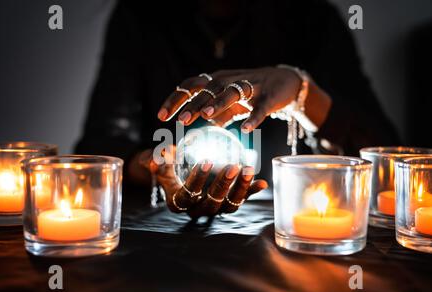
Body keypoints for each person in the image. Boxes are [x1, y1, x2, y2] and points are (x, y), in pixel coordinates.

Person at [75, 0, 400, 218]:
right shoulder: (139, 15)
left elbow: (386, 160)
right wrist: (154, 168)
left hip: (283, 221)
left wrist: (302, 93)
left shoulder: (311, 18)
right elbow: (98, 148)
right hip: (161, 233)